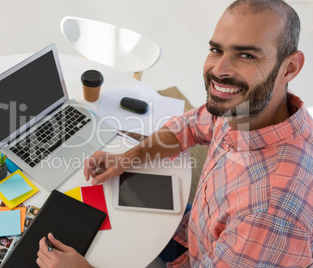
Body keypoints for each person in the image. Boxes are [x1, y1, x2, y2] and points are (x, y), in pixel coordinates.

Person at [36, 0, 313, 267]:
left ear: (290, 68)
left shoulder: (268, 216)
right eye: (216, 50)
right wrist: (127, 157)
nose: (219, 70)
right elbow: (191, 125)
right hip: (193, 230)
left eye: (247, 55)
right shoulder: (247, 109)